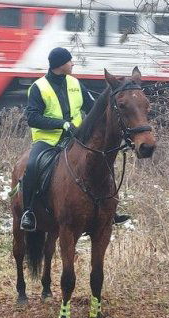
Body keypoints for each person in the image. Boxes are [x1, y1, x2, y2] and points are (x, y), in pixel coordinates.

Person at [19, 47, 130, 231]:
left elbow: (94, 109)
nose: (73, 63)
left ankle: (109, 208)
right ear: (60, 65)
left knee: (102, 162)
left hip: (76, 139)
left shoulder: (75, 83)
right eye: (69, 61)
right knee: (31, 166)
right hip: (48, 141)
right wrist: (61, 123)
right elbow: (32, 118)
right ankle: (29, 212)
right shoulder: (38, 87)